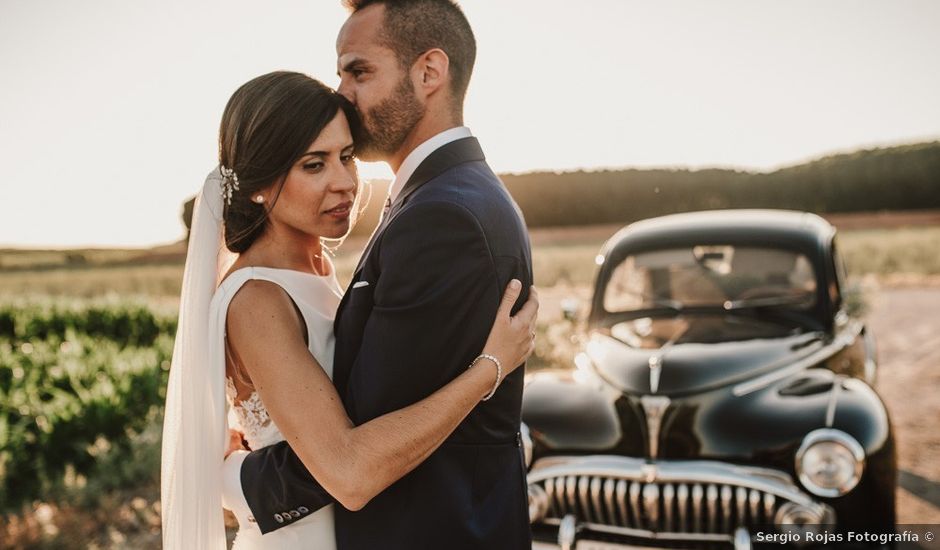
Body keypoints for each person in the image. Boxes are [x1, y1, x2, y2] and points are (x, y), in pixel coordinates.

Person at [160, 71, 538, 549]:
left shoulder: (318, 269)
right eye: (314, 165)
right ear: (258, 184)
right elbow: (350, 474)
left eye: (346, 157)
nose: (343, 183)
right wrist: (491, 367)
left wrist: (240, 480)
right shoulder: (257, 298)